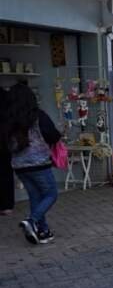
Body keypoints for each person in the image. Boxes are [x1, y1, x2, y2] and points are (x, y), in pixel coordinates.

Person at [5, 83, 61, 244]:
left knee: (35, 197)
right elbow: (52, 135)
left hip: (19, 166)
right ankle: (31, 220)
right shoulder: (38, 115)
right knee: (51, 194)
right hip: (39, 163)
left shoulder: (9, 120)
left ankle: (42, 232)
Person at [0, 87, 15, 215]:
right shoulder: (6, 96)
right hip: (5, 141)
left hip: (4, 140)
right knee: (6, 172)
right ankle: (7, 205)